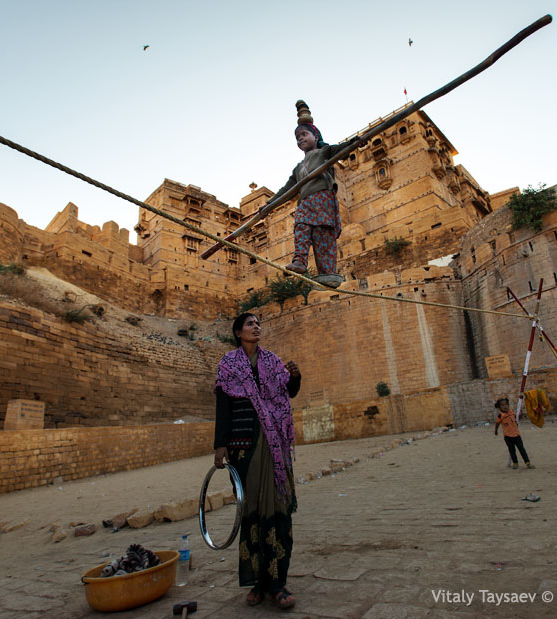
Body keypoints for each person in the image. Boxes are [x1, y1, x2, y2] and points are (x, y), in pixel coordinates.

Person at [213, 312, 301, 609]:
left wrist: (296, 377)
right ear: (238, 332)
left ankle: (277, 583)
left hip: (274, 447)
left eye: (258, 324)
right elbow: (223, 404)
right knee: (251, 511)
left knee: (277, 510)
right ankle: (257, 583)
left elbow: (286, 394)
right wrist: (220, 445)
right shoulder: (228, 365)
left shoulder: (273, 361)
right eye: (250, 324)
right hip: (243, 447)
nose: (257, 327)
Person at [271, 100, 357, 288]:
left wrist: (354, 143)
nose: (300, 139)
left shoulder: (324, 152)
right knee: (301, 225)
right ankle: (300, 261)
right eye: (297, 137)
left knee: (323, 236)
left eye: (304, 134)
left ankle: (327, 273)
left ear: (315, 136)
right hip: (306, 202)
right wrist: (270, 204)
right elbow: (286, 190)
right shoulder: (298, 169)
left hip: (324, 200)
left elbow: (340, 149)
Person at [493, 397, 534, 469]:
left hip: (517, 435)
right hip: (508, 437)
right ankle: (515, 463)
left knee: (522, 449)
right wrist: (496, 431)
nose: (504, 406)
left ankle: (528, 462)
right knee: (512, 450)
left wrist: (519, 416)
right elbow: (497, 423)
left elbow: (516, 419)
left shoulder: (512, 412)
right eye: (502, 405)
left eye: (506, 404)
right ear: (499, 407)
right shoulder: (501, 415)